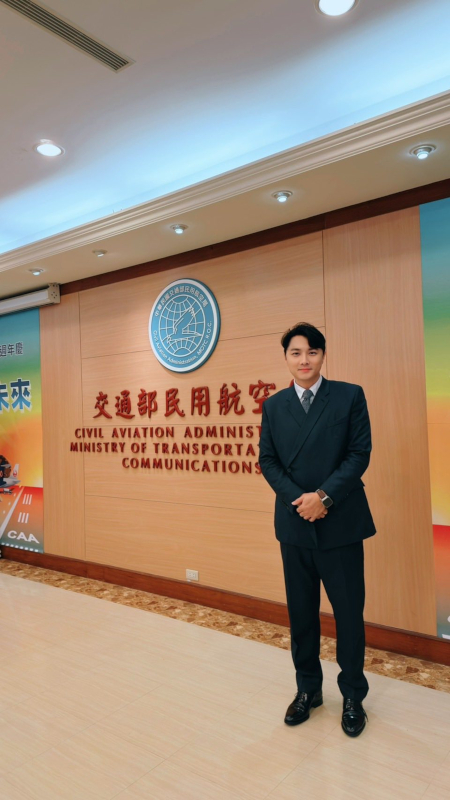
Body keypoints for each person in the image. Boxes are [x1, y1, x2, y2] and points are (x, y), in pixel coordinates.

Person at [259, 322, 376, 737]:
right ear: (286, 358)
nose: (304, 360)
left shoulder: (348, 395)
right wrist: (301, 500)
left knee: (348, 615)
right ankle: (308, 690)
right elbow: (268, 460)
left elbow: (359, 453)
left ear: (323, 355)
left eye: (311, 352)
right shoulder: (273, 406)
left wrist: (323, 497)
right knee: (302, 614)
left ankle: (353, 696)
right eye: (296, 352)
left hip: (340, 524)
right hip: (295, 525)